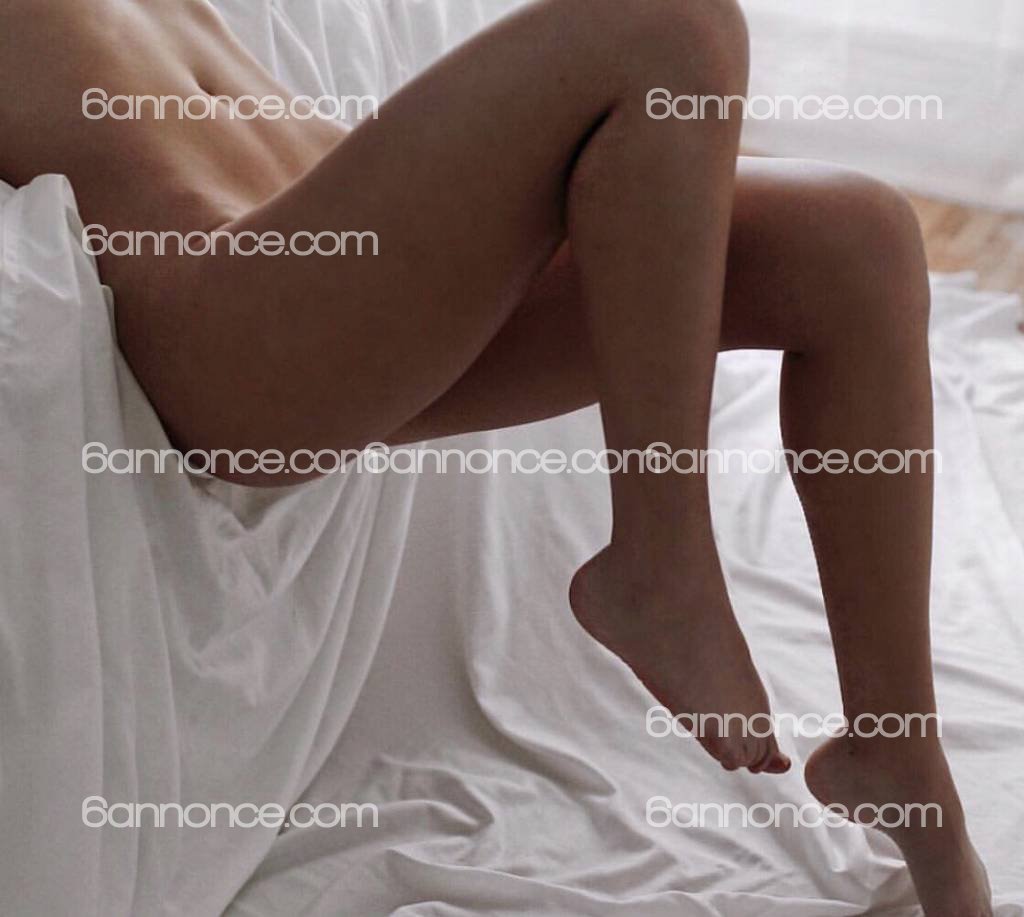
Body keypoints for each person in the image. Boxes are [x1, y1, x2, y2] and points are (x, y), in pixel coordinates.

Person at [0, 0, 992, 913]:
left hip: (358, 277)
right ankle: (661, 560)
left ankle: (896, 756)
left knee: (856, 238)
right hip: (237, 333)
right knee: (670, 22)